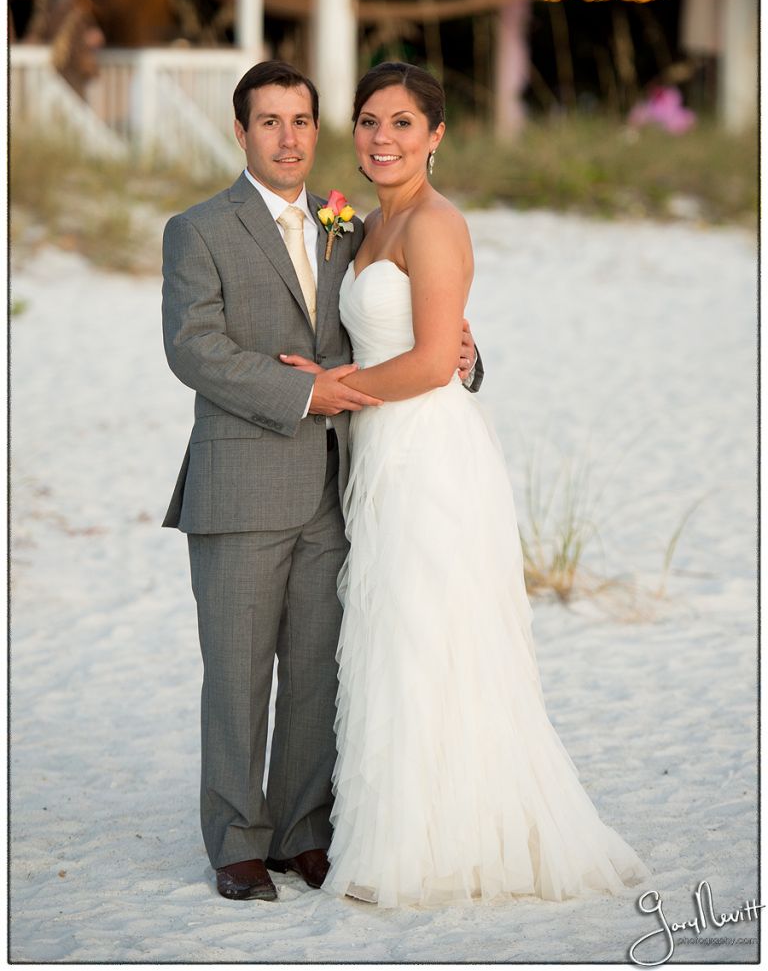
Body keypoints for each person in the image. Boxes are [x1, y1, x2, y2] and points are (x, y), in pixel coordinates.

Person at [283, 62, 650, 907]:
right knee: (392, 639)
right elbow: (414, 340)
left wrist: (335, 387)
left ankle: (434, 847)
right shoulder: (369, 224)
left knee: (428, 637)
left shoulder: (436, 225)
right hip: (381, 450)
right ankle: (399, 826)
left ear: (436, 134)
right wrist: (344, 372)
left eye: (403, 123)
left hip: (428, 455)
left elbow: (426, 360)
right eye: (370, 121)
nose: (383, 138)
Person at [161, 60, 480, 902]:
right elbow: (194, 349)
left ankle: (304, 830)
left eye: (301, 120)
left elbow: (416, 321)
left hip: (340, 487)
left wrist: (467, 354)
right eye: (269, 122)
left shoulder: (349, 227)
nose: (288, 137)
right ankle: (236, 841)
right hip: (239, 486)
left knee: (314, 671)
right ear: (241, 132)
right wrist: (307, 391)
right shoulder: (198, 229)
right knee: (237, 674)